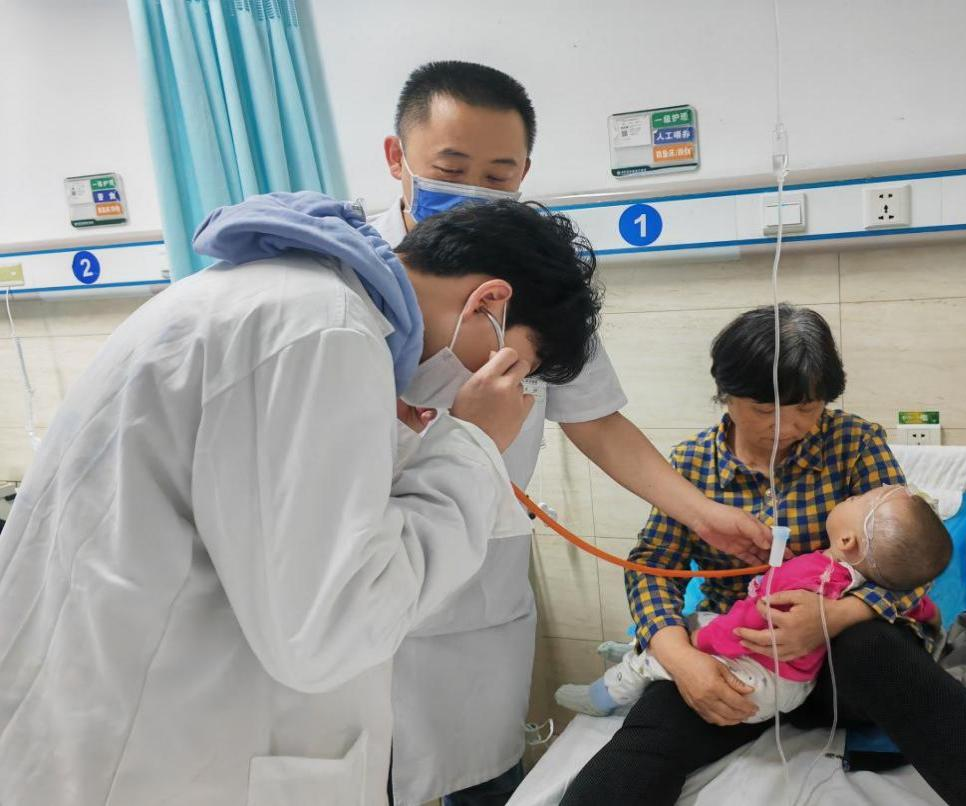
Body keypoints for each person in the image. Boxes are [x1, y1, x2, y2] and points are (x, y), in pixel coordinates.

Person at [0, 191, 602, 806]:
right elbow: (330, 627)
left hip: (134, 724)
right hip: (149, 755)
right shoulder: (325, 330)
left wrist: (404, 445)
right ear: (488, 302)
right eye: (509, 368)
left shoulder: (287, 302)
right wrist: (473, 447)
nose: (491, 387)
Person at [373, 61, 773, 806]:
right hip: (366, 566)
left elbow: (593, 417)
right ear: (397, 158)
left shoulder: (539, 281)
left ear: (524, 173)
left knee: (481, 771)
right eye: (450, 171)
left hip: (476, 571)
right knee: (366, 769)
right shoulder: (354, 285)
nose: (474, 193)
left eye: (498, 176)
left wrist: (700, 513)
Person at [560, 305, 966, 806]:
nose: (789, 427)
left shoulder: (853, 443)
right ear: (726, 394)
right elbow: (652, 567)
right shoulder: (691, 465)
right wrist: (681, 658)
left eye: (808, 407)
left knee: (876, 648)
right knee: (652, 734)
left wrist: (832, 617)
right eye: (765, 410)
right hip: (741, 664)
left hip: (846, 668)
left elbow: (910, 561)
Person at [556, 485, 951, 722]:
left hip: (757, 682)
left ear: (847, 541)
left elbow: (745, 624)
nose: (852, 495)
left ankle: (608, 693)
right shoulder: (857, 580)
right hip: (792, 684)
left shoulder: (808, 574)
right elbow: (912, 605)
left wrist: (702, 644)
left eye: (857, 498)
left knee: (667, 653)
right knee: (690, 618)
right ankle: (635, 646)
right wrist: (931, 616)